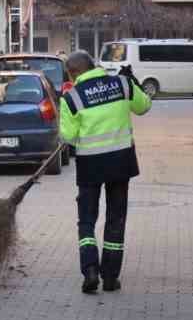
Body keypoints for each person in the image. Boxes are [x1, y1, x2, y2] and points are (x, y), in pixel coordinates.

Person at [58, 49, 152, 294]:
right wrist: (134, 82)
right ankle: (110, 277)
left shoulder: (72, 97)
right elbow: (144, 107)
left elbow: (68, 136)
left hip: (90, 165)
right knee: (116, 219)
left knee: (87, 220)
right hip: (121, 163)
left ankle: (90, 271)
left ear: (74, 72)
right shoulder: (121, 84)